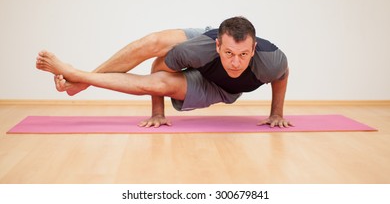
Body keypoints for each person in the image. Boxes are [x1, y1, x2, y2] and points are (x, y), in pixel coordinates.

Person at [36, 16, 292, 128]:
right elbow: (158, 66)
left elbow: (282, 76)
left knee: (158, 85)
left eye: (243, 55)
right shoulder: (199, 48)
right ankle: (81, 80)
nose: (236, 62)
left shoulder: (271, 61)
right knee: (152, 42)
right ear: (217, 45)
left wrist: (276, 114)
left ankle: (78, 77)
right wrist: (157, 111)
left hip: (219, 88)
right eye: (228, 53)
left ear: (254, 48)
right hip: (201, 54)